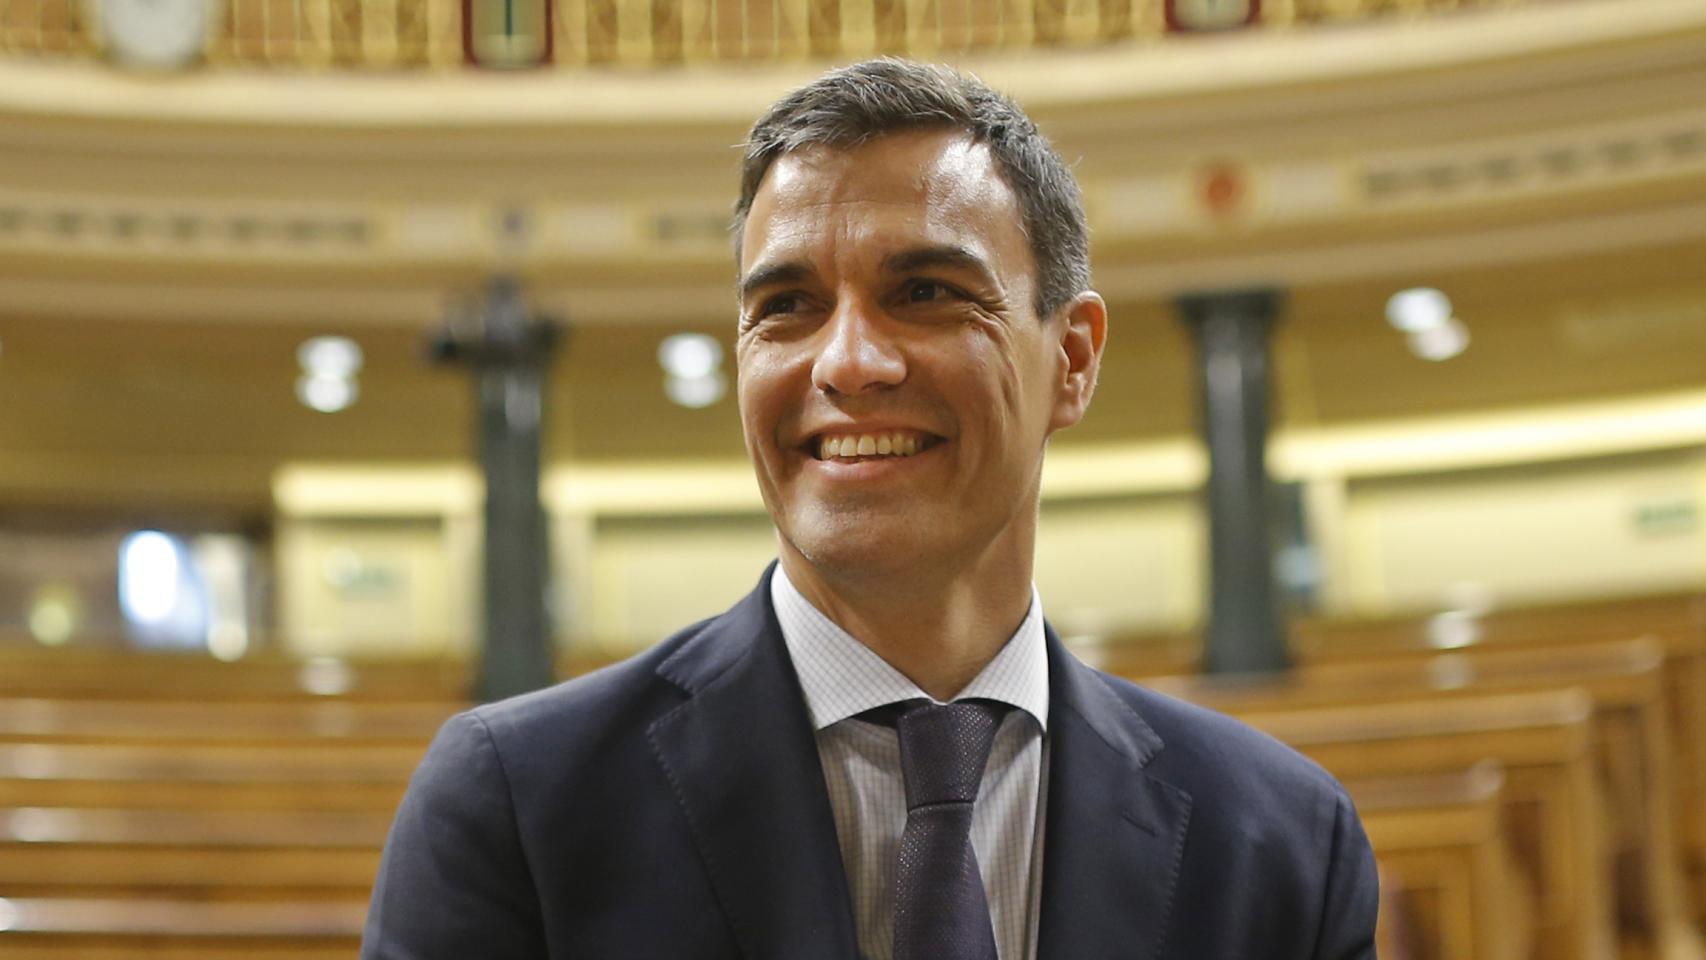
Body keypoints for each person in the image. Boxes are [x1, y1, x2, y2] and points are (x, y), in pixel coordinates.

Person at [362, 58, 1378, 960]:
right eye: (786, 307)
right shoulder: (518, 804)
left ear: (1069, 359)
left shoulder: (1280, 841)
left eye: (927, 291)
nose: (846, 362)